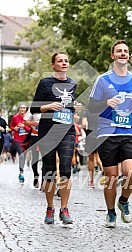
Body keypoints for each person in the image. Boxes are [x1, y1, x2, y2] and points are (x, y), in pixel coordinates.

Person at [88, 40, 132, 228]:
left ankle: (124, 200)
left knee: (131, 173)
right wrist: (106, 103)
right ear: (112, 55)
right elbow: (92, 107)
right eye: (119, 51)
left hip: (129, 132)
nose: (123, 53)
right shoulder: (103, 80)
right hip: (107, 133)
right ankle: (111, 212)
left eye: (126, 51)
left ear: (129, 56)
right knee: (111, 176)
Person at [30, 52, 82, 225]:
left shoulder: (72, 84)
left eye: (66, 61)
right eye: (60, 61)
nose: (64, 63)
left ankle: (64, 209)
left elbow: (70, 107)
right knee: (50, 170)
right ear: (53, 65)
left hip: (67, 130)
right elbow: (34, 109)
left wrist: (76, 107)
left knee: (66, 168)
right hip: (48, 131)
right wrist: (48, 106)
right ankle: (50, 207)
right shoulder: (45, 83)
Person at [82, 109, 103, 188]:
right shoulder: (103, 109)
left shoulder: (87, 111)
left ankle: (91, 180)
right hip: (101, 134)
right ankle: (106, 176)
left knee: (91, 158)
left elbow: (84, 124)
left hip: (90, 134)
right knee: (102, 157)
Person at [10, 104, 31, 182]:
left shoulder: (29, 118)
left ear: (26, 109)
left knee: (24, 155)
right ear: (19, 109)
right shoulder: (15, 117)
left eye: (24, 108)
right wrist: (14, 128)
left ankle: (21, 170)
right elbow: (11, 126)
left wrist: (23, 126)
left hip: (26, 140)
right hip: (17, 139)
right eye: (21, 108)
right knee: (21, 155)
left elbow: (31, 129)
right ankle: (21, 173)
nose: (22, 109)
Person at [23, 108, 41, 188]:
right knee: (35, 157)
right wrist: (34, 123)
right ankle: (36, 175)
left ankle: (45, 179)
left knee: (47, 157)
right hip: (35, 136)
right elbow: (25, 122)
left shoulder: (52, 106)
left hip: (47, 136)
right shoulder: (33, 108)